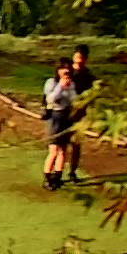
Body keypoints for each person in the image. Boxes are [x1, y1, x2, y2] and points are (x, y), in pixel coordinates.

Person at [42, 58, 77, 190]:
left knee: (63, 150)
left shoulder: (71, 84)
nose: (66, 71)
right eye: (63, 68)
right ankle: (47, 177)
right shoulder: (51, 82)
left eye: (68, 68)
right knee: (53, 150)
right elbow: (49, 99)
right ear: (58, 70)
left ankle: (57, 177)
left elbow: (74, 100)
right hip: (55, 117)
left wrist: (69, 88)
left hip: (66, 117)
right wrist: (60, 87)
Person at [68, 44, 96, 182]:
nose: (79, 60)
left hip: (79, 114)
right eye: (78, 56)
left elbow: (91, 95)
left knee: (76, 144)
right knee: (60, 144)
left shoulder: (88, 76)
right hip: (64, 112)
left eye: (82, 58)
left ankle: (72, 171)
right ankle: (55, 172)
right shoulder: (66, 72)